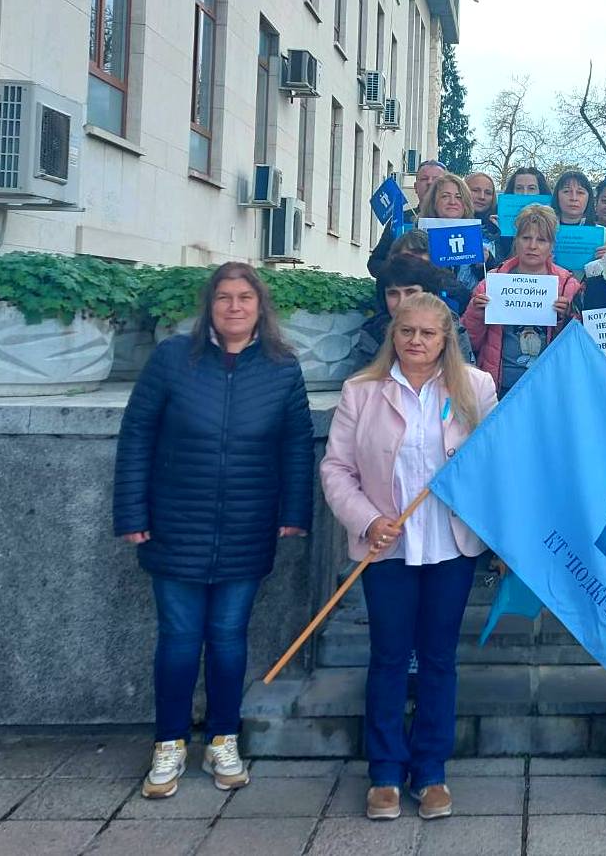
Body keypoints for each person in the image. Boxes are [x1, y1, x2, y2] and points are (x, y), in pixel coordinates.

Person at [114, 263, 313, 800]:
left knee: (228, 638)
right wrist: (131, 514)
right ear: (209, 305)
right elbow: (137, 434)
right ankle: (170, 742)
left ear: (260, 306)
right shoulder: (173, 359)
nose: (234, 307)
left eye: (244, 297)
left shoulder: (281, 368)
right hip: (175, 522)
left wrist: (295, 510)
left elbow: (296, 444)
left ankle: (224, 738)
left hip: (247, 524)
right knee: (179, 640)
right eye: (224, 297)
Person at [321, 293, 497, 821]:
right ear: (392, 334)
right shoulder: (361, 391)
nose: (416, 341)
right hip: (387, 545)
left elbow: (494, 463)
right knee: (390, 656)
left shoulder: (476, 388)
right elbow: (336, 469)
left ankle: (430, 770)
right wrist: (366, 519)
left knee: (439, 659)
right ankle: (384, 770)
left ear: (446, 340)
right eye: (406, 331)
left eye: (428, 333)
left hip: (450, 545)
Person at [464, 203, 581, 396]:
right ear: (516, 240)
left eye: (541, 240)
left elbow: (577, 349)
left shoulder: (568, 286)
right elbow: (469, 343)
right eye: (526, 238)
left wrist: (566, 317)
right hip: (500, 386)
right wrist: (476, 313)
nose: (532, 246)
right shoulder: (491, 282)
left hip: (548, 388)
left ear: (552, 245)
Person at [355, 254, 474, 366]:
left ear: (429, 294)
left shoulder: (452, 331)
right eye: (393, 294)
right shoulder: (372, 334)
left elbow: (462, 377)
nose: (402, 302)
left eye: (410, 292)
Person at [368, 160, 446, 276]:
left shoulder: (456, 220)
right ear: (415, 187)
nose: (430, 182)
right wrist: (398, 270)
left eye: (436, 179)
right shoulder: (400, 219)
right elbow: (375, 262)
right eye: (424, 179)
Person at [421, 173, 492, 288]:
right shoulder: (417, 237)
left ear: (466, 203)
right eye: (445, 196)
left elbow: (492, 286)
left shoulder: (481, 238)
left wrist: (485, 264)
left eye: (459, 197)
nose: (452, 202)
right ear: (433, 202)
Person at [465, 171, 501, 248]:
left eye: (488, 193)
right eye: (475, 190)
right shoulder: (451, 221)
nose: (482, 197)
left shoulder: (500, 226)